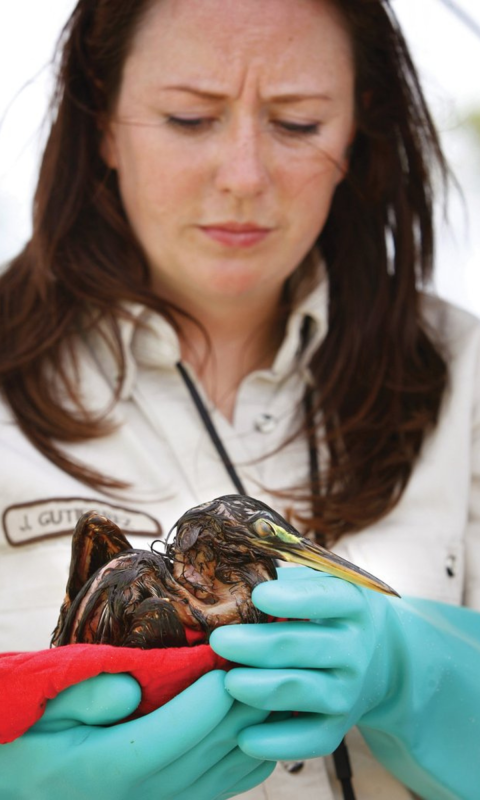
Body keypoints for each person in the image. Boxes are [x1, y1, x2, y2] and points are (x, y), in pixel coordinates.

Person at [0, 0, 479, 797]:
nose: (244, 176)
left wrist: (423, 680)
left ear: (360, 129)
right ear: (103, 120)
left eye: (297, 123)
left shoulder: (468, 377)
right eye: (190, 118)